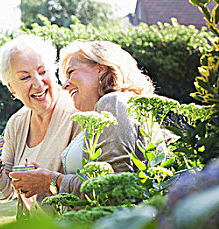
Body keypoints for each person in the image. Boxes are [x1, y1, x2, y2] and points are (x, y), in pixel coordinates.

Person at [10, 39, 160, 198]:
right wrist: (44, 183)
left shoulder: (114, 102)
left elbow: (114, 188)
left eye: (71, 72)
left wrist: (51, 181)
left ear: (100, 69)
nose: (65, 85)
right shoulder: (103, 114)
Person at [0, 34, 81, 207]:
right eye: (25, 77)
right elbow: (5, 193)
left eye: (42, 72)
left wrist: (49, 182)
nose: (39, 84)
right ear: (11, 88)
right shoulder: (16, 123)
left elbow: (92, 187)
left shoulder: (78, 113)